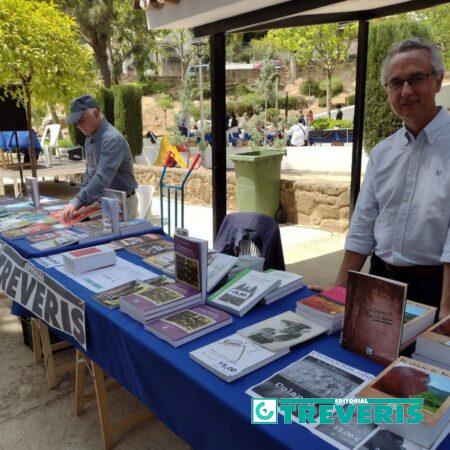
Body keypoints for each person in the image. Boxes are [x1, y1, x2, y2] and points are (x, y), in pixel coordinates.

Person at [312, 38, 449, 320]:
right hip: (379, 280)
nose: (406, 90)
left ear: (438, 81)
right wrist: (340, 288)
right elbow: (363, 225)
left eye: (417, 78)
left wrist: (447, 310)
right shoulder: (383, 153)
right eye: (396, 83)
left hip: (436, 289)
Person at [63, 94, 138, 221]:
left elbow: (102, 176)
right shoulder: (90, 137)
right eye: (76, 122)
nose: (78, 126)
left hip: (121, 203)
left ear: (96, 113)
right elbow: (90, 172)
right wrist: (79, 202)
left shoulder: (111, 139)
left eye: (81, 120)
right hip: (104, 200)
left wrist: (78, 201)